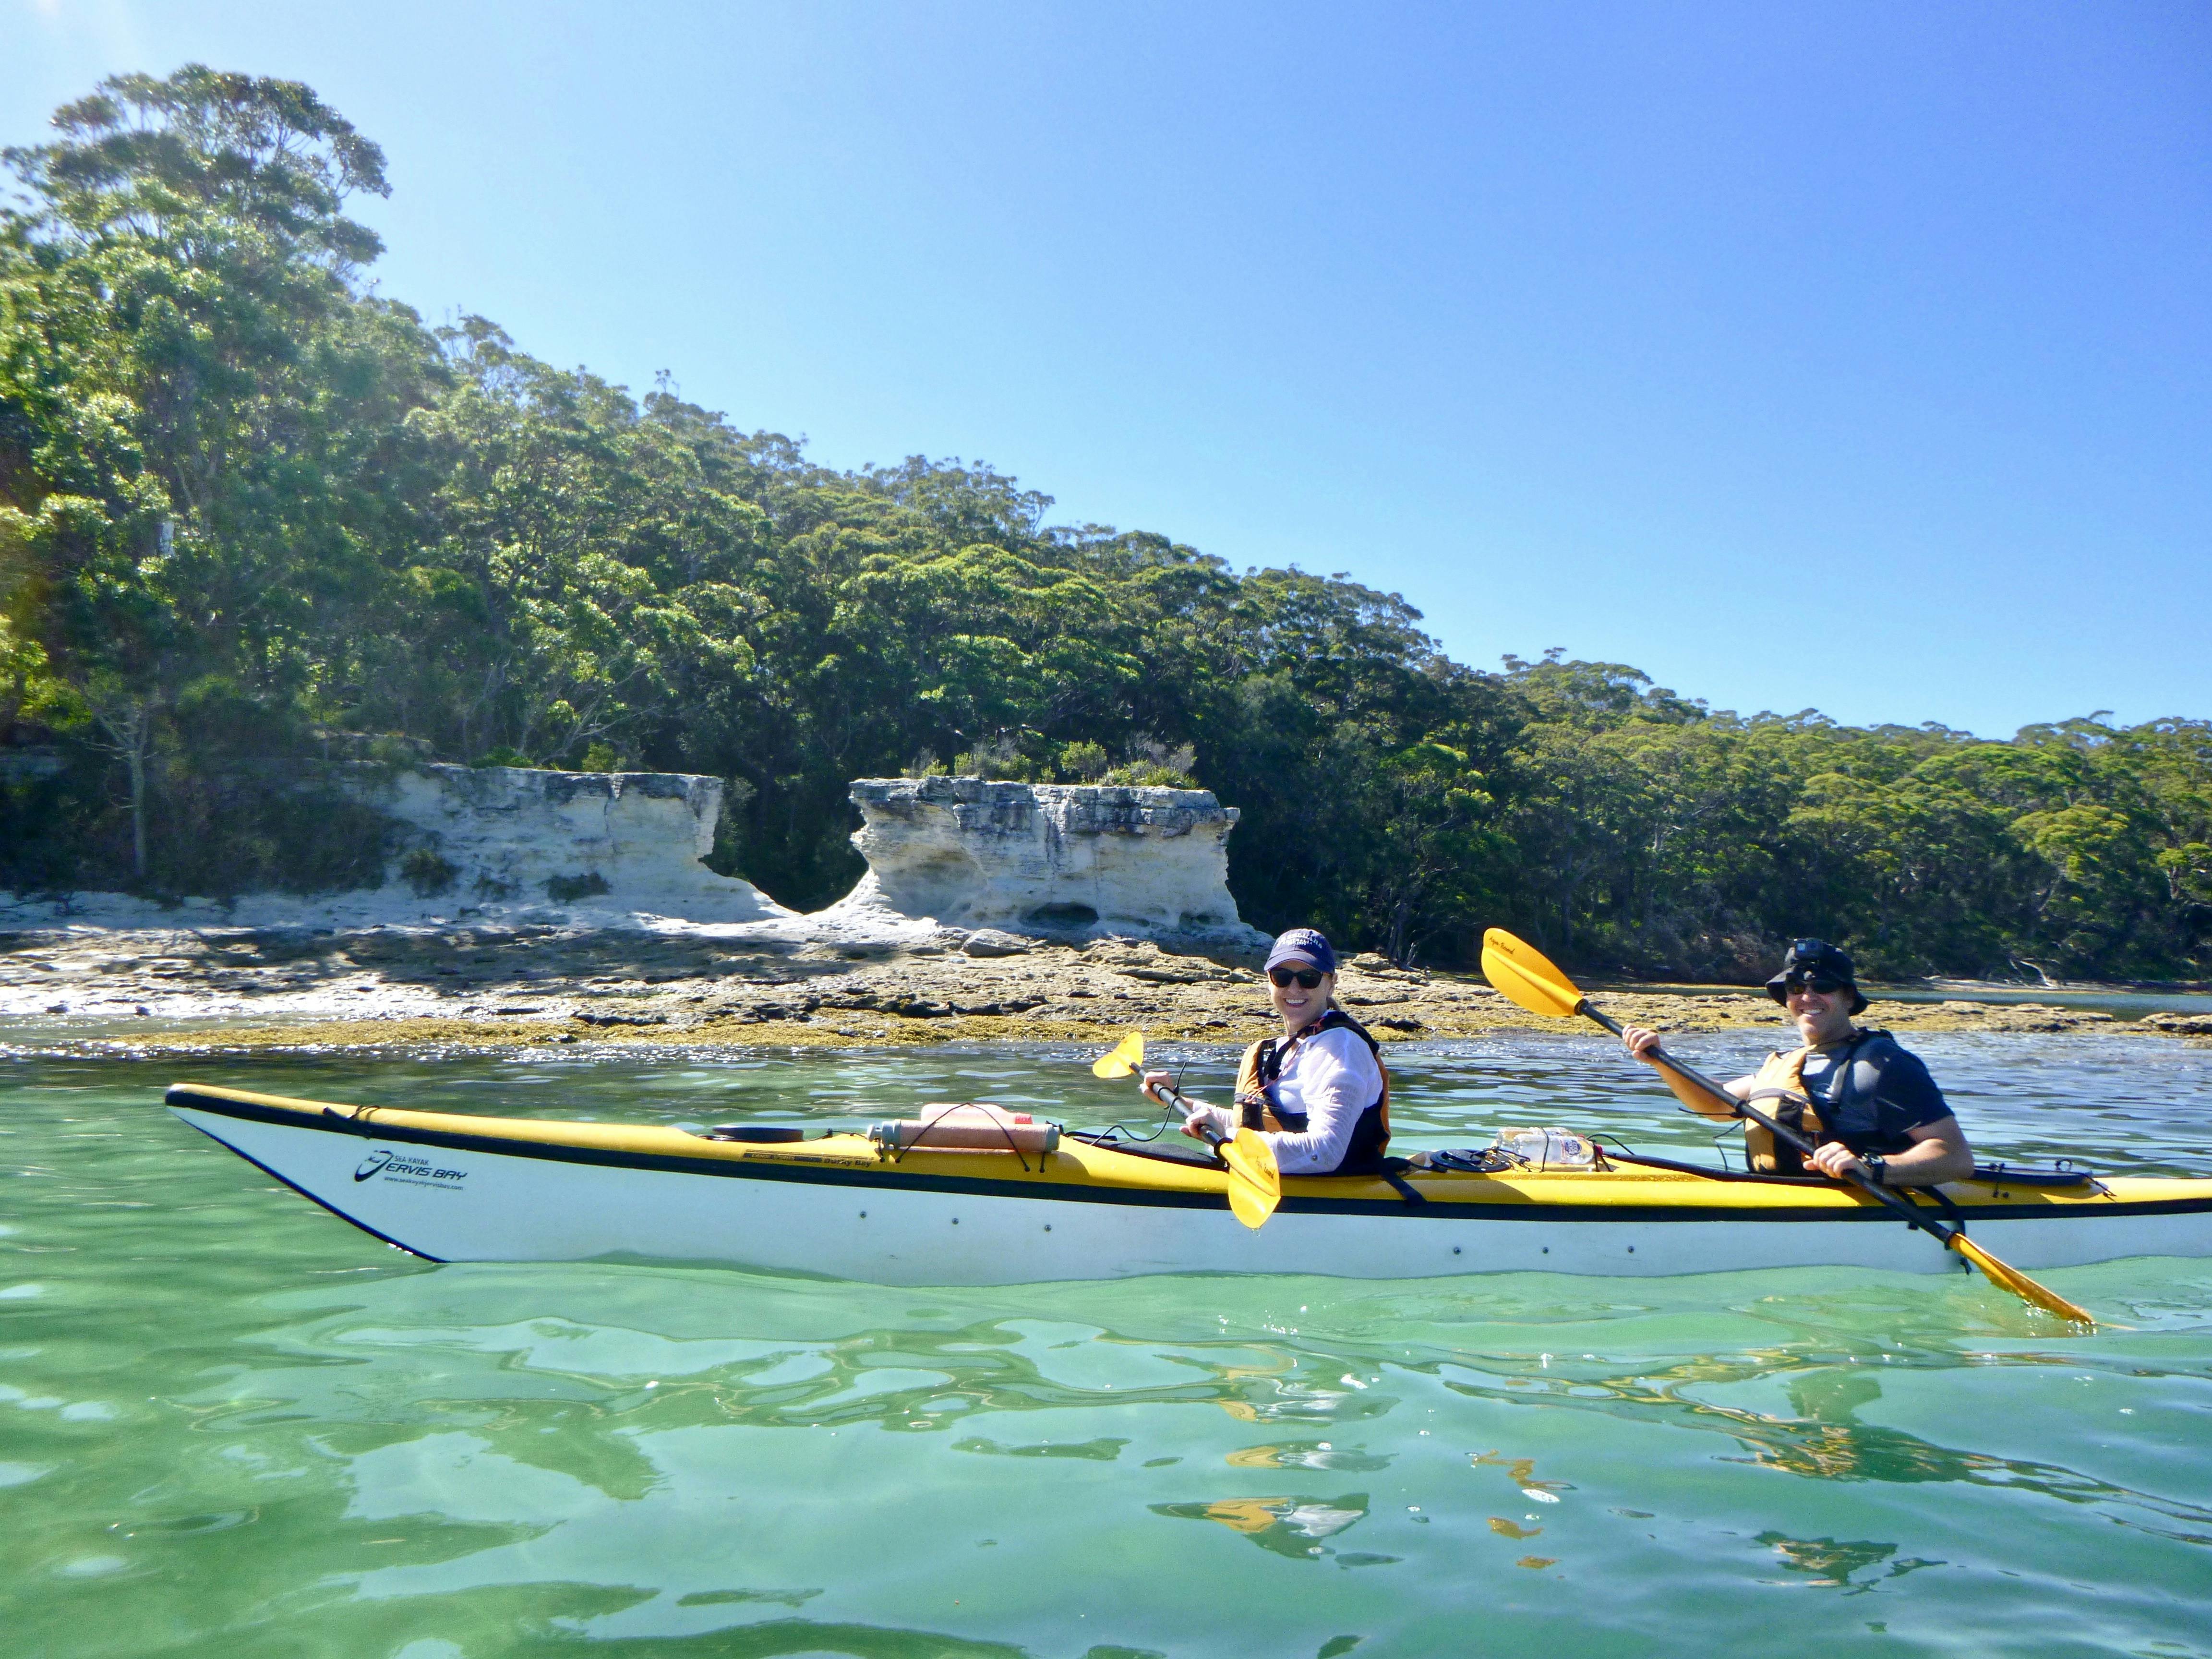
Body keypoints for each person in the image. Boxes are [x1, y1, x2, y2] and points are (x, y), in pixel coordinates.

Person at [1619, 938, 1973, 1187]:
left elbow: (1955, 1157)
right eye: (1794, 988)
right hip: (1781, 1195)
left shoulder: (1885, 1065)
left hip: (1857, 1207)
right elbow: (1713, 1105)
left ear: (1848, 997)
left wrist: (1870, 1167)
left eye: (1822, 986)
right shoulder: (1787, 1064)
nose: (1807, 997)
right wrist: (1659, 1061)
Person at [1142, 927, 1391, 1176]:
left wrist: (1227, 1137)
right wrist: (1176, 1100)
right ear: (1269, 980)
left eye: (1308, 977)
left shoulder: (1340, 1048)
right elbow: (1252, 1122)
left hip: (1334, 1196)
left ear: (1331, 983)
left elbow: (1324, 1151)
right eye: (1282, 976)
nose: (1294, 988)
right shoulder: (1289, 1046)